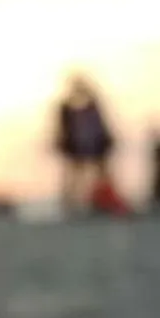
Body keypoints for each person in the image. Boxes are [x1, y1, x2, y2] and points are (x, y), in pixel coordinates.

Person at [54, 76, 115, 216]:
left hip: (94, 146)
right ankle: (70, 205)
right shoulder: (67, 109)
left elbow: (101, 127)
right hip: (76, 148)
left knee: (99, 176)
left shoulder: (92, 107)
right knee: (75, 177)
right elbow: (63, 130)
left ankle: (101, 202)